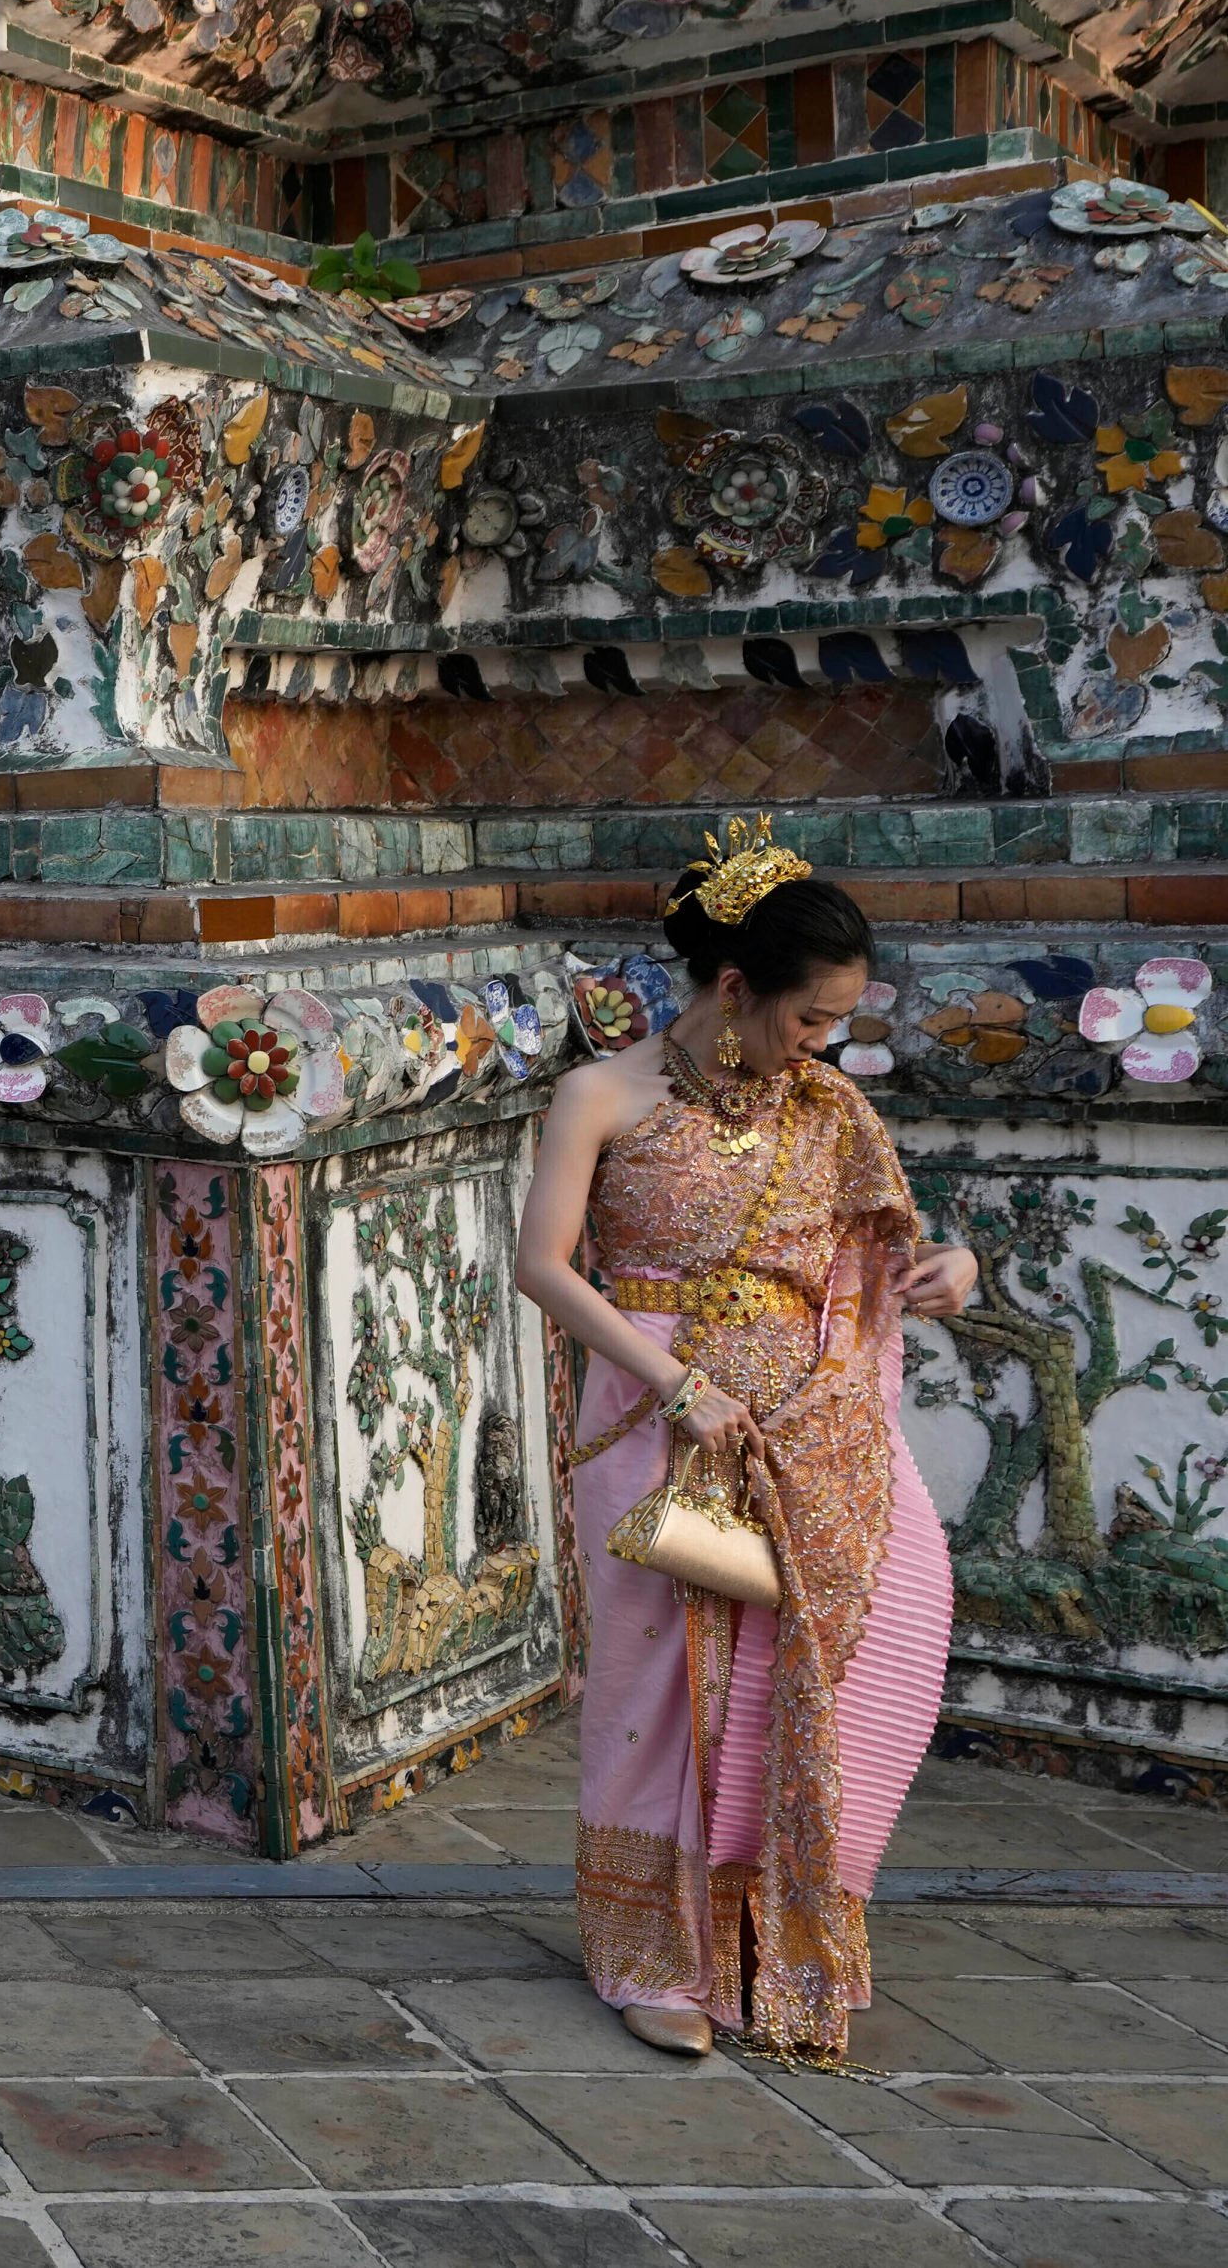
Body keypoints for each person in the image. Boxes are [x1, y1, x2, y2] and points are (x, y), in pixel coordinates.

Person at [513, 818, 976, 2060]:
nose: (829, 1043)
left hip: (812, 1427)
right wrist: (675, 1388)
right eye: (814, 1017)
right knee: (661, 1696)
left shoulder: (825, 1110)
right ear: (734, 989)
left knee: (877, 1631)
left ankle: (777, 1922)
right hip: (655, 1418)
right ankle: (647, 1952)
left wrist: (949, 1266)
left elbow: (871, 1251)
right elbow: (543, 1268)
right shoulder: (601, 1095)